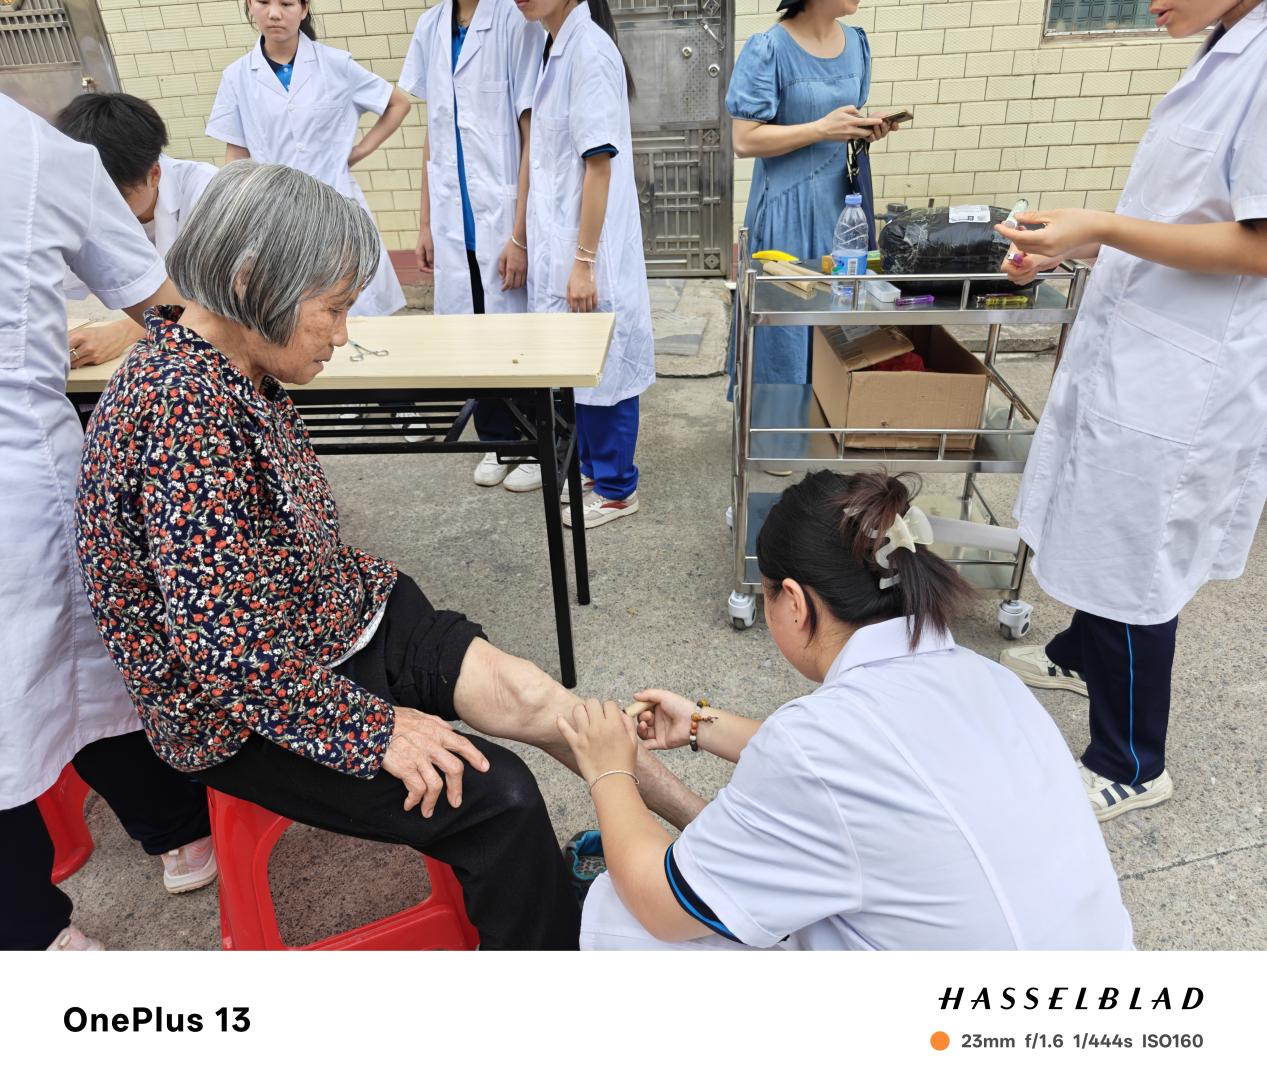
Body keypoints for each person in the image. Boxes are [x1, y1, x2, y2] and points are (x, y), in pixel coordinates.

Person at [72, 160, 703, 950]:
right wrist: (374, 728)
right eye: (333, 309)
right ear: (249, 281)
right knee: (499, 799)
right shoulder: (183, 415)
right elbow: (229, 661)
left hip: (330, 609)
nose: (343, 335)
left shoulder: (216, 349)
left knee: (531, 696)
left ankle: (709, 846)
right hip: (241, 706)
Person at [557, 471, 1133, 950]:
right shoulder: (988, 678)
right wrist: (700, 725)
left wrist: (609, 770)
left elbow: (659, 905)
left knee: (624, 917)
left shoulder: (818, 742)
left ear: (794, 602)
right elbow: (868, 776)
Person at [995, 0, 1267, 821]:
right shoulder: (1224, 48)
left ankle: (1131, 760)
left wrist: (1103, 226)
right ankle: (1081, 652)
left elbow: (1258, 244)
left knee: (1133, 553)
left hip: (1188, 374)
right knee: (1101, 520)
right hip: (1142, 344)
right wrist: (1068, 242)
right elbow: (1180, 217)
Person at [0, 94, 216, 953]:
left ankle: (38, 925)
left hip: (25, 481)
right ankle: (169, 837)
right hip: (22, 482)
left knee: (68, 675)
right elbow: (171, 315)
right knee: (92, 668)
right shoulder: (36, 152)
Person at [399, 0, 546, 491]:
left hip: (504, 215)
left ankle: (536, 442)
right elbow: (434, 132)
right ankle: (498, 440)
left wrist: (520, 235)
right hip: (453, 220)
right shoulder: (430, 26)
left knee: (518, 334)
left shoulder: (514, 19)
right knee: (475, 336)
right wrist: (425, 223)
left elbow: (531, 132)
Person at [520, 0, 653, 529]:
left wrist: (583, 262)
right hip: (566, 243)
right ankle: (597, 473)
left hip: (590, 250)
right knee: (584, 368)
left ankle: (619, 490)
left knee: (606, 368)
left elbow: (598, 167)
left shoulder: (590, 52)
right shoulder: (556, 47)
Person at [726, 0, 895, 388]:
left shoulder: (857, 43)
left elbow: (841, 123)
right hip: (787, 212)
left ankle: (827, 412)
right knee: (785, 330)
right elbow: (744, 140)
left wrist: (864, 129)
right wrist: (821, 129)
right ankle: (777, 417)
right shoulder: (769, 48)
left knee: (838, 324)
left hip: (843, 211)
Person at [206, 0, 409, 316]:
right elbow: (236, 155)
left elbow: (398, 104)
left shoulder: (336, 65)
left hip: (336, 208)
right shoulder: (236, 77)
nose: (274, 13)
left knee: (352, 310)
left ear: (304, 9)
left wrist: (356, 153)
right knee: (292, 314)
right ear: (249, 6)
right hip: (275, 214)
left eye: (287, 3)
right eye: (263, 2)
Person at [56, 92, 217, 369]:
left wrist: (126, 331)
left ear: (154, 174)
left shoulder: (210, 192)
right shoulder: (77, 203)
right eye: (95, 198)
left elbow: (223, 301)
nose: (105, 212)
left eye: (117, 200)